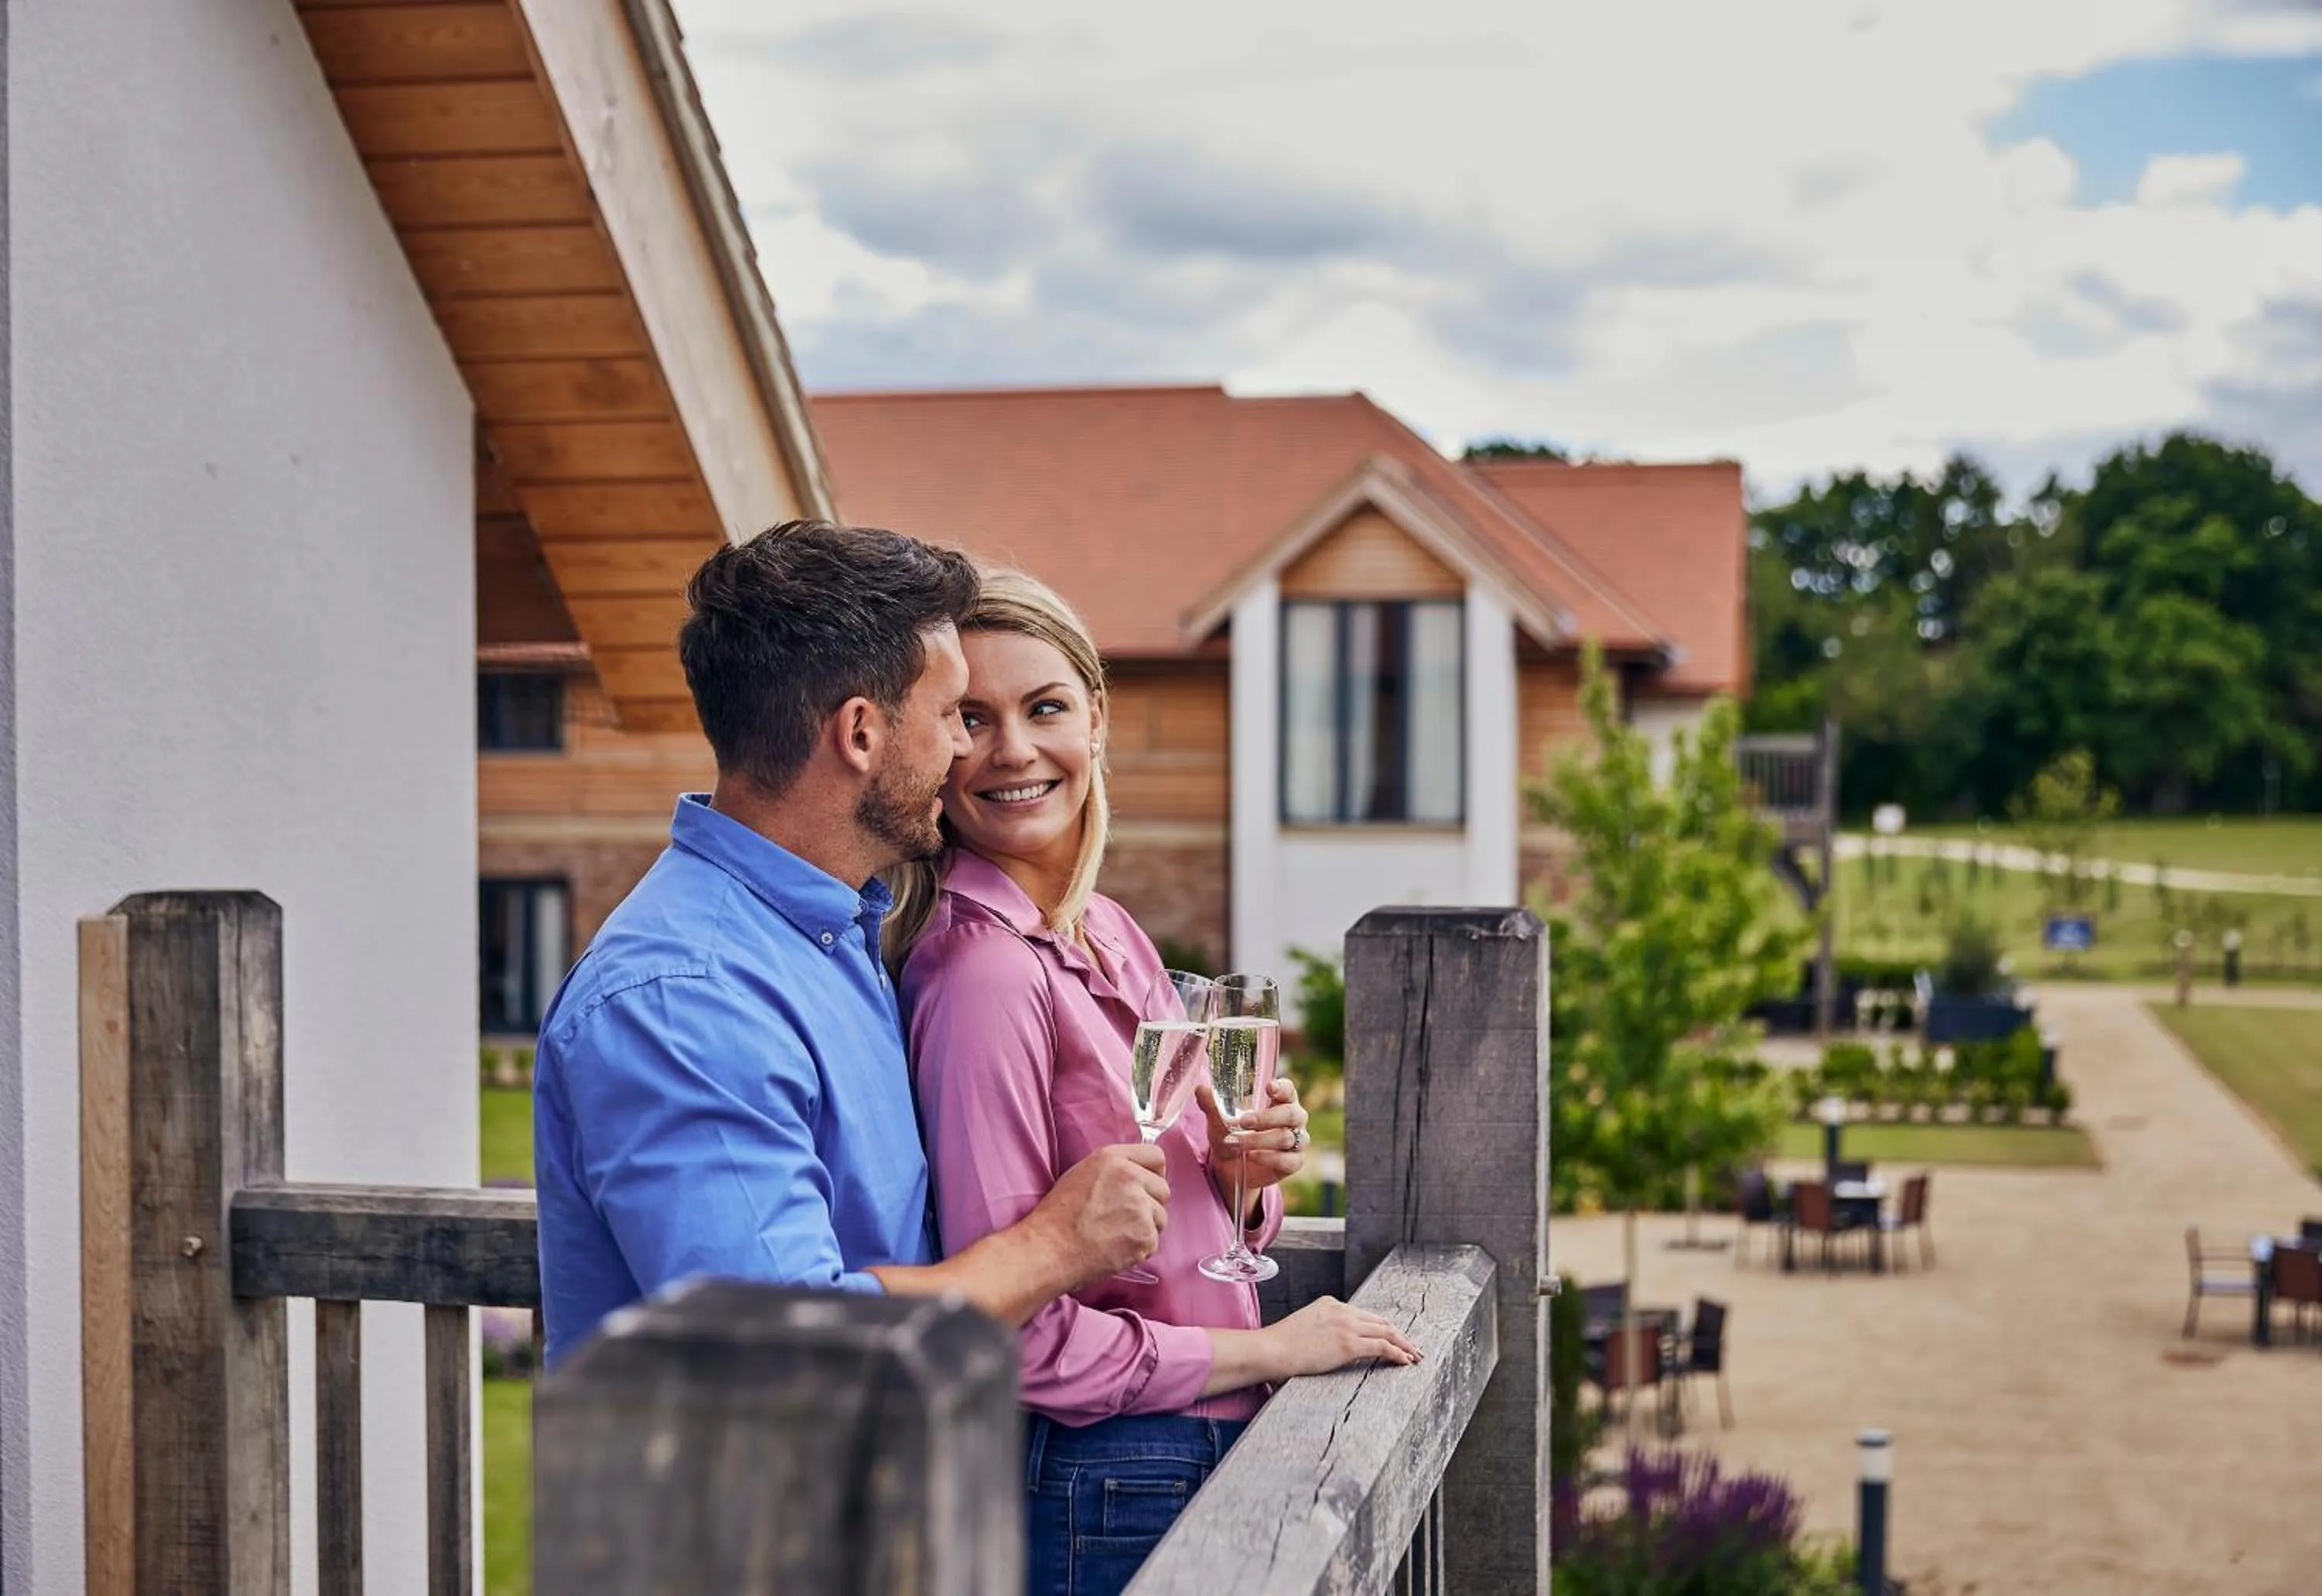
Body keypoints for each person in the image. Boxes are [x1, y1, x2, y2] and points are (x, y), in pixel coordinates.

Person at [889, 570, 1420, 1596]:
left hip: (1182, 1455)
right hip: (1109, 1477)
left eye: (1044, 706)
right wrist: (1268, 1347)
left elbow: (1213, 1236)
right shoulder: (984, 976)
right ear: (937, 748)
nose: (1012, 749)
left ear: (1096, 717)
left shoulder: (1115, 935)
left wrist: (1243, 1175)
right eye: (971, 718)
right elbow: (1016, 1336)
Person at [532, 522, 1172, 1368]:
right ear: (862, 732)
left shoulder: (835, 937)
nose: (961, 750)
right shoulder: (683, 997)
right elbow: (782, 1343)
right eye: (952, 714)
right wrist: (1053, 1248)